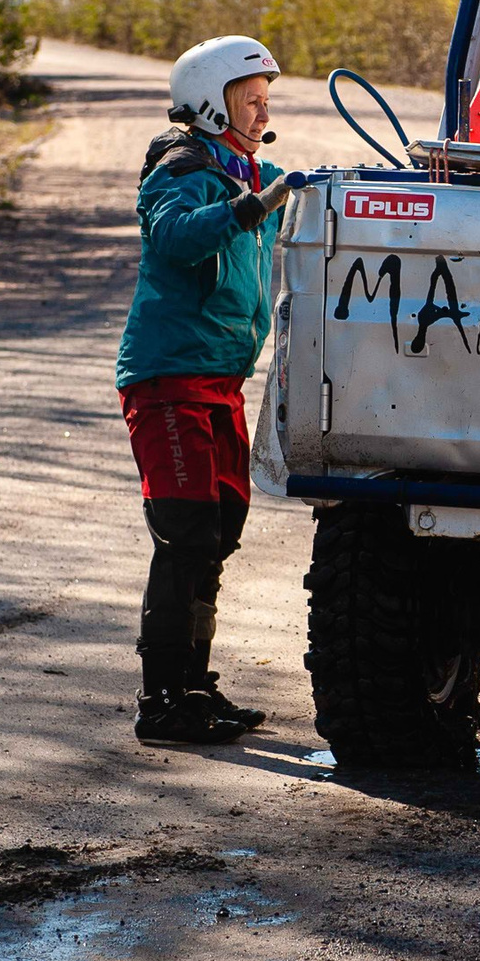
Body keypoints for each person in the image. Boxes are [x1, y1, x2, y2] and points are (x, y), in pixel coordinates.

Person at [115, 36, 295, 745]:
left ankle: (193, 681)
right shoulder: (181, 167)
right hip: (169, 378)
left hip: (222, 382)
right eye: (248, 96)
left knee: (218, 530)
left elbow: (305, 195)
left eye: (265, 97)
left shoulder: (251, 169)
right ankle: (161, 699)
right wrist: (248, 210)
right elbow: (174, 237)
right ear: (210, 102)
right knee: (185, 531)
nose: (261, 106)